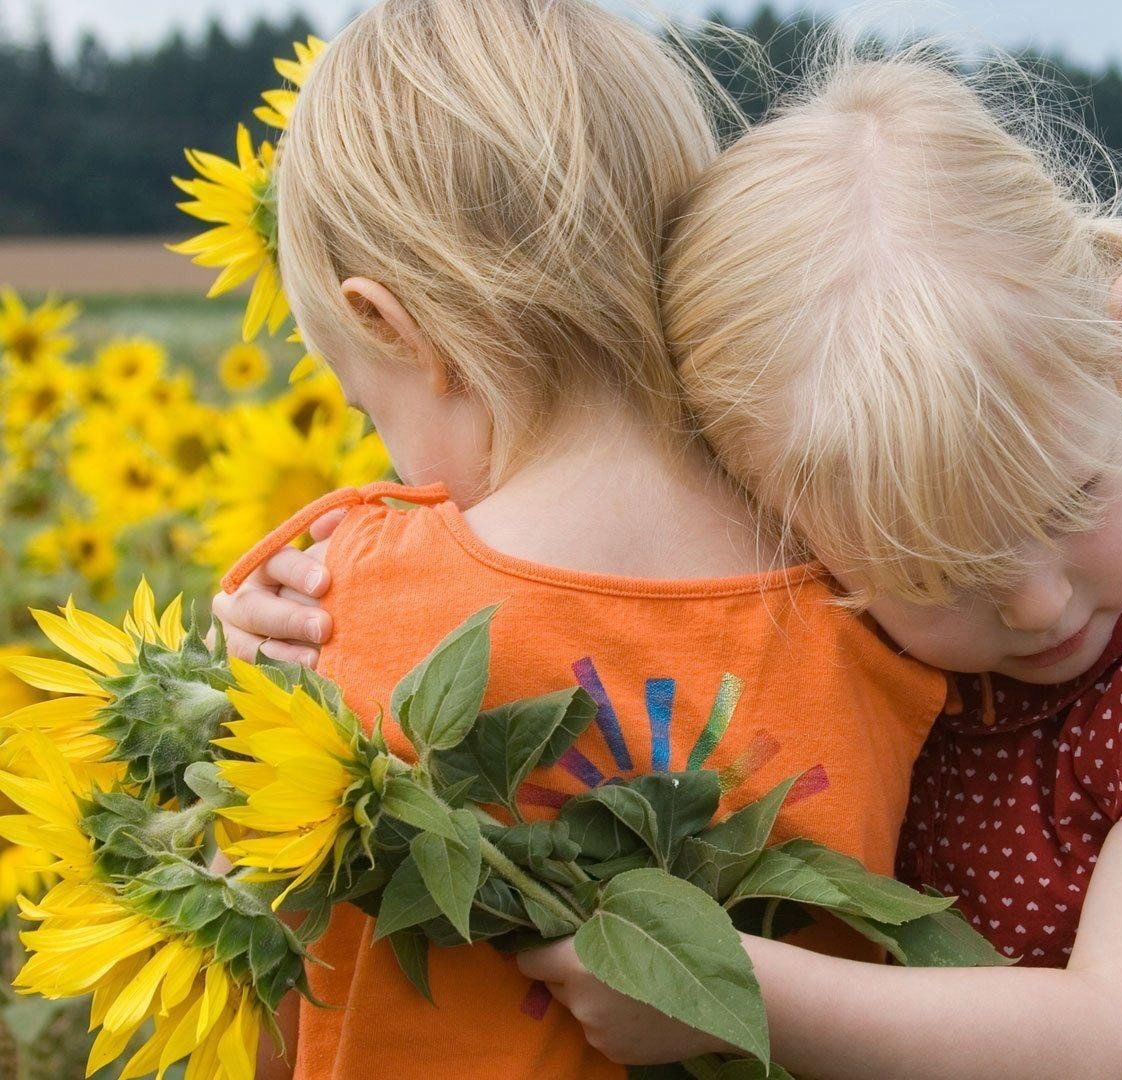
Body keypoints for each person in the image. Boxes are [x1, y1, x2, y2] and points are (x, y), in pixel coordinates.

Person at [226, 47, 1122, 1080]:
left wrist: (725, 992)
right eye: (934, 572)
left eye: (1068, 499)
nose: (1034, 602)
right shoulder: (812, 554)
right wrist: (282, 646)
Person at [216, 5, 947, 1079]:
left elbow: (266, 1018)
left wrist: (256, 722)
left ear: (388, 325)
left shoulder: (325, 608)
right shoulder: (879, 585)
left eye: (366, 405)